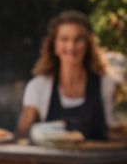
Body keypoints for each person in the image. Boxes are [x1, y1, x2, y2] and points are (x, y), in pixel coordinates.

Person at [18, 10, 119, 140]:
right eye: (64, 39)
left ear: (88, 44)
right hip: (52, 160)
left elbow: (115, 133)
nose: (71, 47)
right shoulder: (38, 86)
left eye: (78, 39)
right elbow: (23, 134)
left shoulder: (106, 84)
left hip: (96, 159)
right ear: (54, 45)